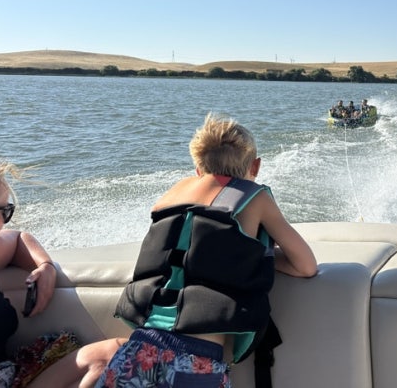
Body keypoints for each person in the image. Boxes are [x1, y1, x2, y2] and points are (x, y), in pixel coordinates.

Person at [97, 114, 317, 387]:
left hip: (136, 352)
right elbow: (305, 265)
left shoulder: (170, 197)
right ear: (256, 166)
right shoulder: (255, 197)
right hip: (193, 362)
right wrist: (248, 259)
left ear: (197, 169)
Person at [0, 156, 124, 387]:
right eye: (5, 211)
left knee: (112, 353)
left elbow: (18, 239)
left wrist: (45, 266)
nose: (5, 222)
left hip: (9, 378)